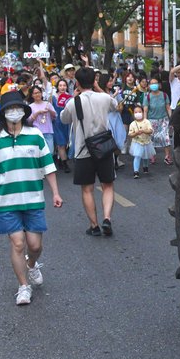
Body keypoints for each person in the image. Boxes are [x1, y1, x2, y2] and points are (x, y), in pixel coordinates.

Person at [0, 91, 63, 306]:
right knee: (17, 243)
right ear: (3, 114)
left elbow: (48, 166)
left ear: (24, 112)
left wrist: (56, 192)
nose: (14, 112)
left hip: (33, 198)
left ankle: (31, 265)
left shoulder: (35, 135)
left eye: (18, 108)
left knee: (34, 246)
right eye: (9, 109)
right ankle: (23, 286)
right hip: (5, 201)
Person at [60, 67, 118, 237]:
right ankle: (107, 218)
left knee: (87, 189)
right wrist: (99, 88)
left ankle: (94, 225)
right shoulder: (104, 98)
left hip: (83, 150)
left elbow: (64, 119)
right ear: (94, 81)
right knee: (107, 185)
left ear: (76, 82)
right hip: (104, 149)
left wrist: (73, 97)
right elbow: (115, 106)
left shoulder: (74, 102)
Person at [144, 77, 171, 165]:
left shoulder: (164, 95)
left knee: (166, 137)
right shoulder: (147, 97)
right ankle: (152, 156)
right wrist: (145, 122)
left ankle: (167, 157)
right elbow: (145, 110)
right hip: (152, 120)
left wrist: (171, 118)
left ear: (159, 85)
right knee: (152, 138)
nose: (154, 85)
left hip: (164, 119)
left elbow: (168, 107)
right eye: (152, 83)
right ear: (149, 86)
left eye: (155, 83)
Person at [28, 85, 58, 158]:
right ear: (32, 95)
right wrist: (38, 113)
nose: (37, 94)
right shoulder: (30, 106)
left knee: (50, 152)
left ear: (41, 93)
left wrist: (49, 110)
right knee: (39, 154)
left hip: (48, 131)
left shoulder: (47, 104)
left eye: (38, 92)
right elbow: (29, 121)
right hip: (37, 133)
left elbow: (55, 116)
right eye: (35, 93)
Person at [127, 108, 155, 179]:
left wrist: (144, 131)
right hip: (137, 143)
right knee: (137, 156)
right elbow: (130, 134)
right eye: (136, 112)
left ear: (143, 112)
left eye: (139, 112)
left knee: (145, 155)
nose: (138, 113)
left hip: (146, 142)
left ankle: (145, 166)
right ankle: (136, 171)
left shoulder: (147, 122)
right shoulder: (132, 124)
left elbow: (150, 130)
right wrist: (136, 133)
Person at [52, 79, 73, 173]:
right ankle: (65, 164)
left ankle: (61, 160)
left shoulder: (69, 97)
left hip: (67, 122)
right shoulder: (52, 97)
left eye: (64, 85)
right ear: (57, 87)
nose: (62, 87)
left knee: (66, 143)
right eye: (60, 85)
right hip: (56, 122)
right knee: (61, 143)